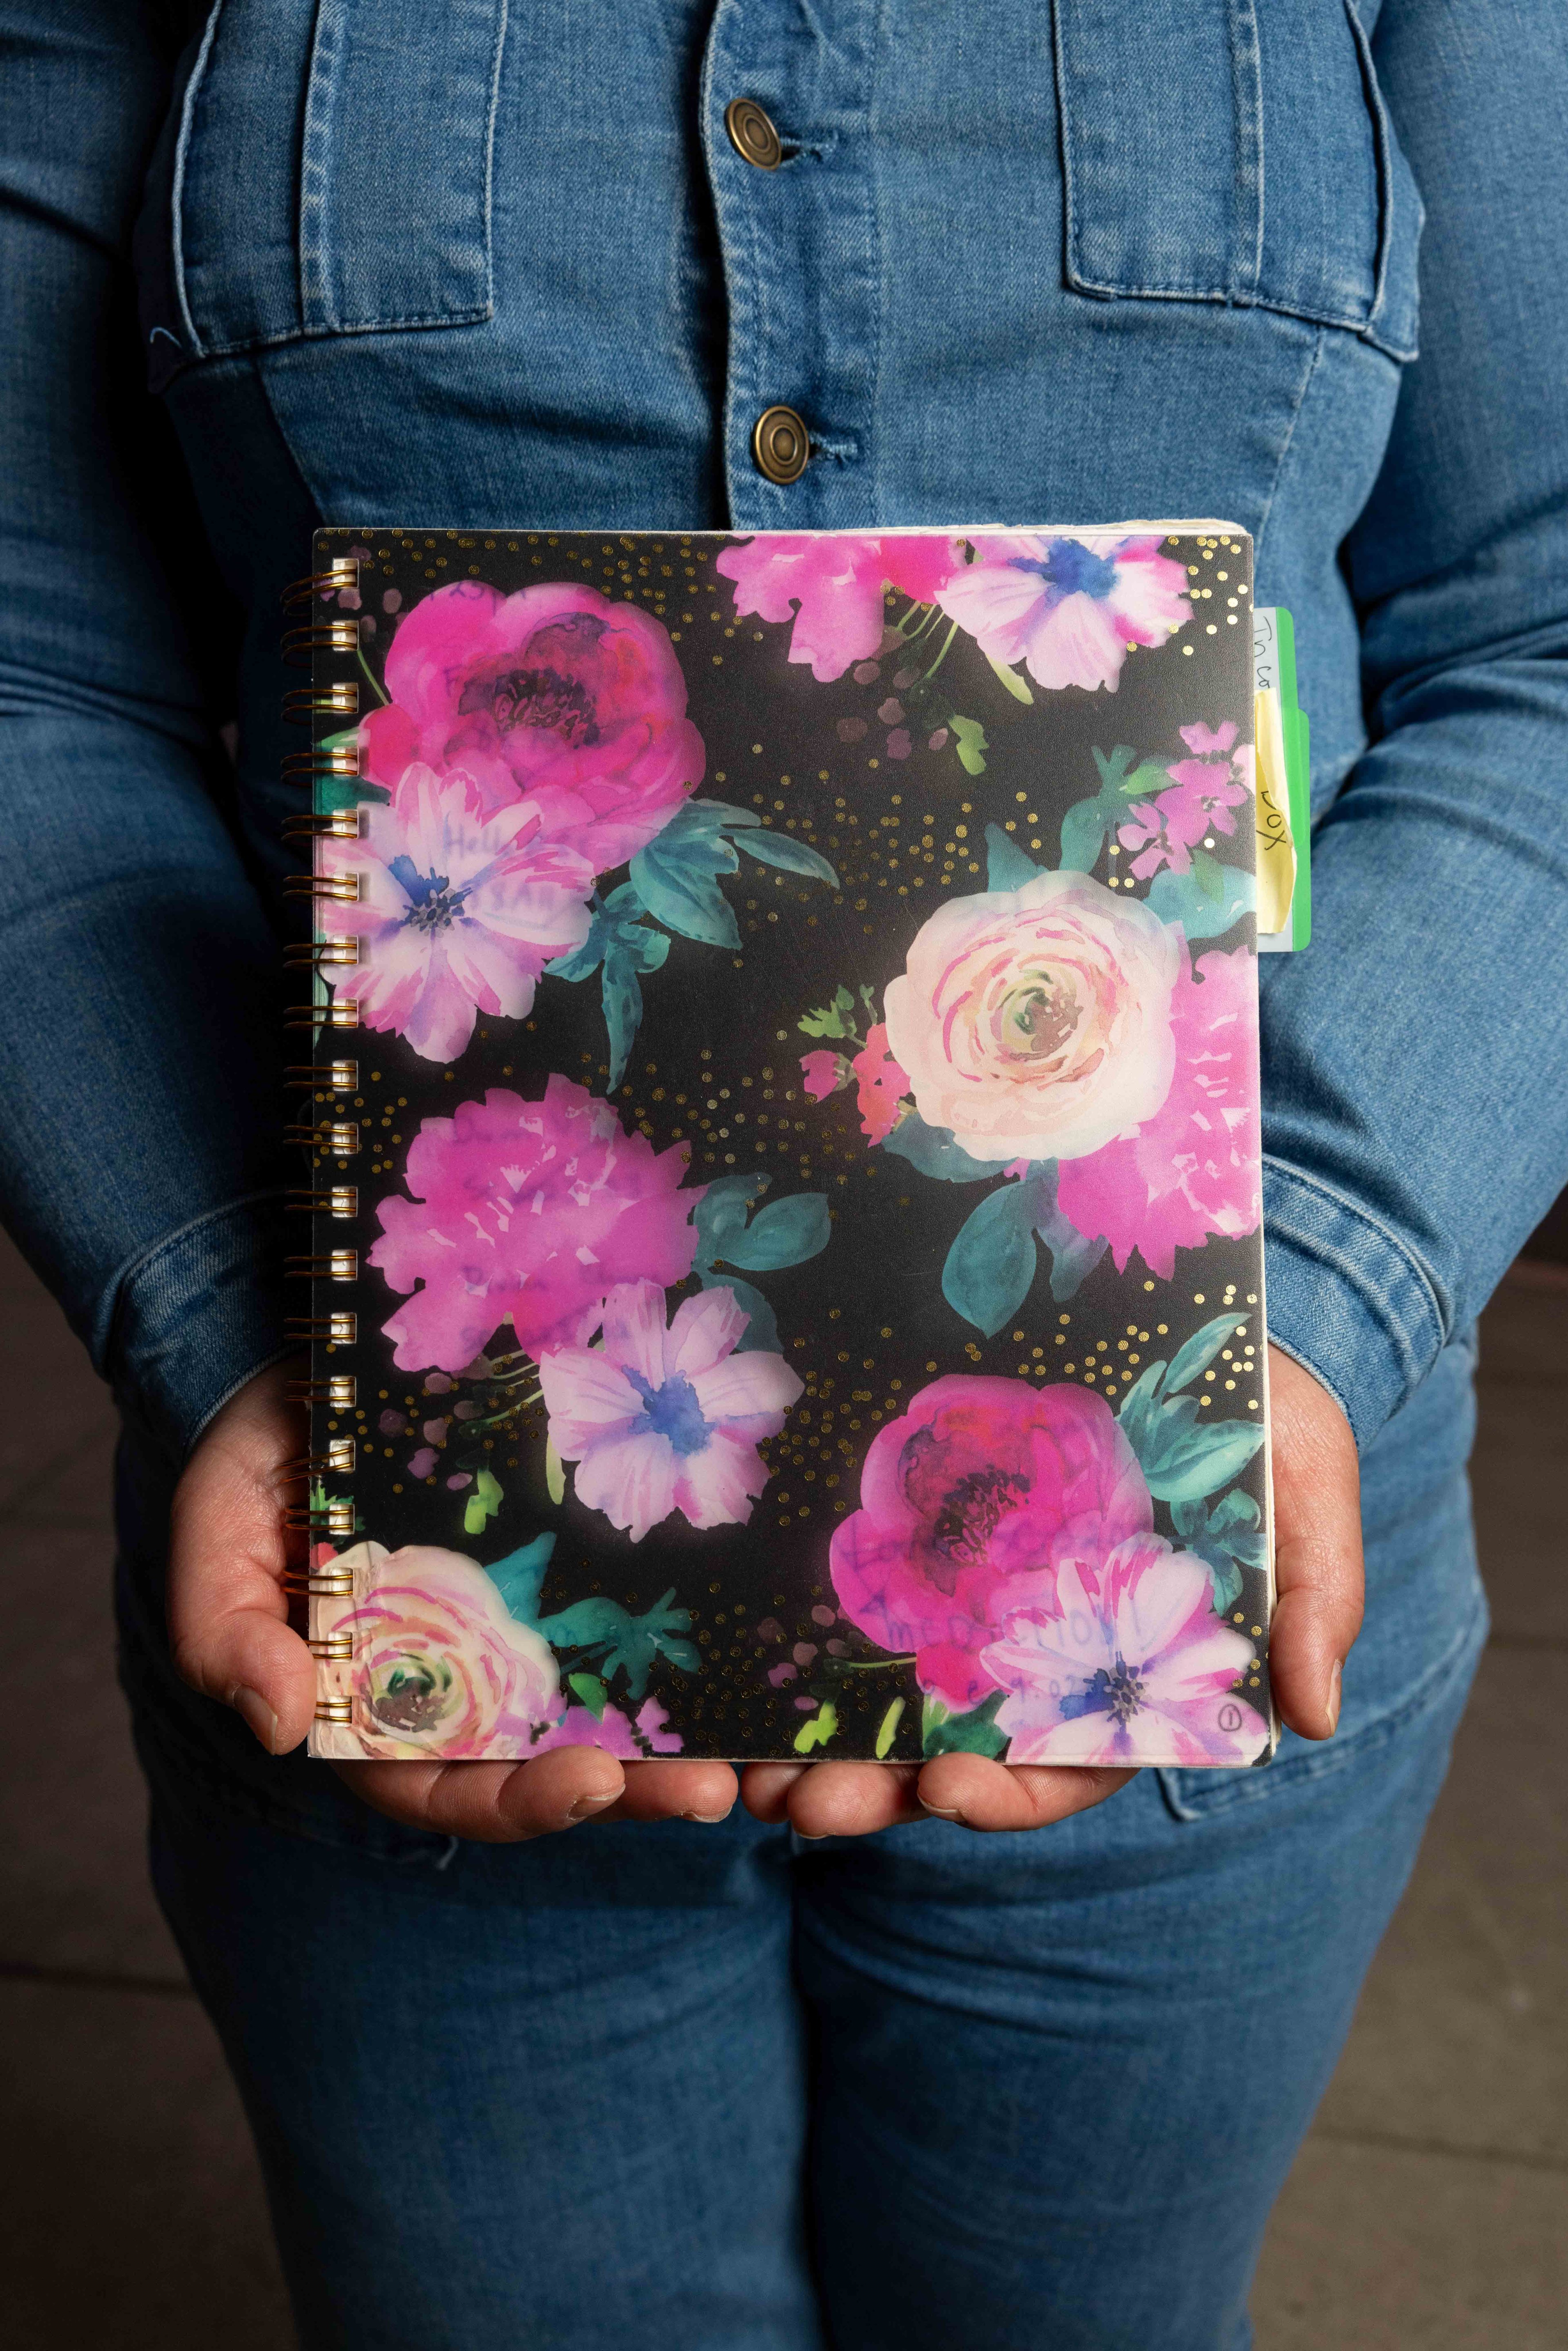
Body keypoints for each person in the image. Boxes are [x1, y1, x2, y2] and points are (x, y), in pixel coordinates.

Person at [2, 4, 1564, 2344]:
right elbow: (31, 657)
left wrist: (1304, 1304)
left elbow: (1542, 626)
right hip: (404, 1530)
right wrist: (243, 1311)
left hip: (1208, 1521)